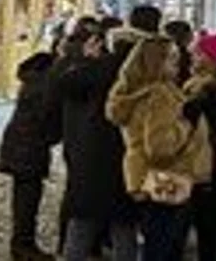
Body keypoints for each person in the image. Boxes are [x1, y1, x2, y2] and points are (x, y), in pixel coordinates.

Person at [109, 35, 213, 261]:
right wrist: (188, 123)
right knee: (164, 248)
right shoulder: (160, 94)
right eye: (172, 58)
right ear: (156, 62)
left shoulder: (133, 91)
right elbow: (160, 147)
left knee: (155, 244)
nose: (179, 63)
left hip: (146, 178)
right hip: (169, 180)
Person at [57, 14, 140, 261]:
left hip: (90, 154)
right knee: (124, 227)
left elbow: (64, 84)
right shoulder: (142, 77)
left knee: (82, 223)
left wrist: (85, 61)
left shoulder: (97, 68)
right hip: (126, 156)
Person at [0, 51, 60, 261]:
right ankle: (23, 246)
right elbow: (46, 118)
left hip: (20, 145)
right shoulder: (43, 85)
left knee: (24, 197)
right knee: (27, 200)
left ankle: (22, 243)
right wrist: (53, 136)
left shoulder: (32, 80)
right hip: (28, 147)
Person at [183, 31, 216, 261]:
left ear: (212, 59)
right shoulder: (199, 85)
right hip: (210, 162)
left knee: (214, 224)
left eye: (199, 53)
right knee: (213, 223)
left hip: (213, 164)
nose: (193, 57)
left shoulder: (213, 90)